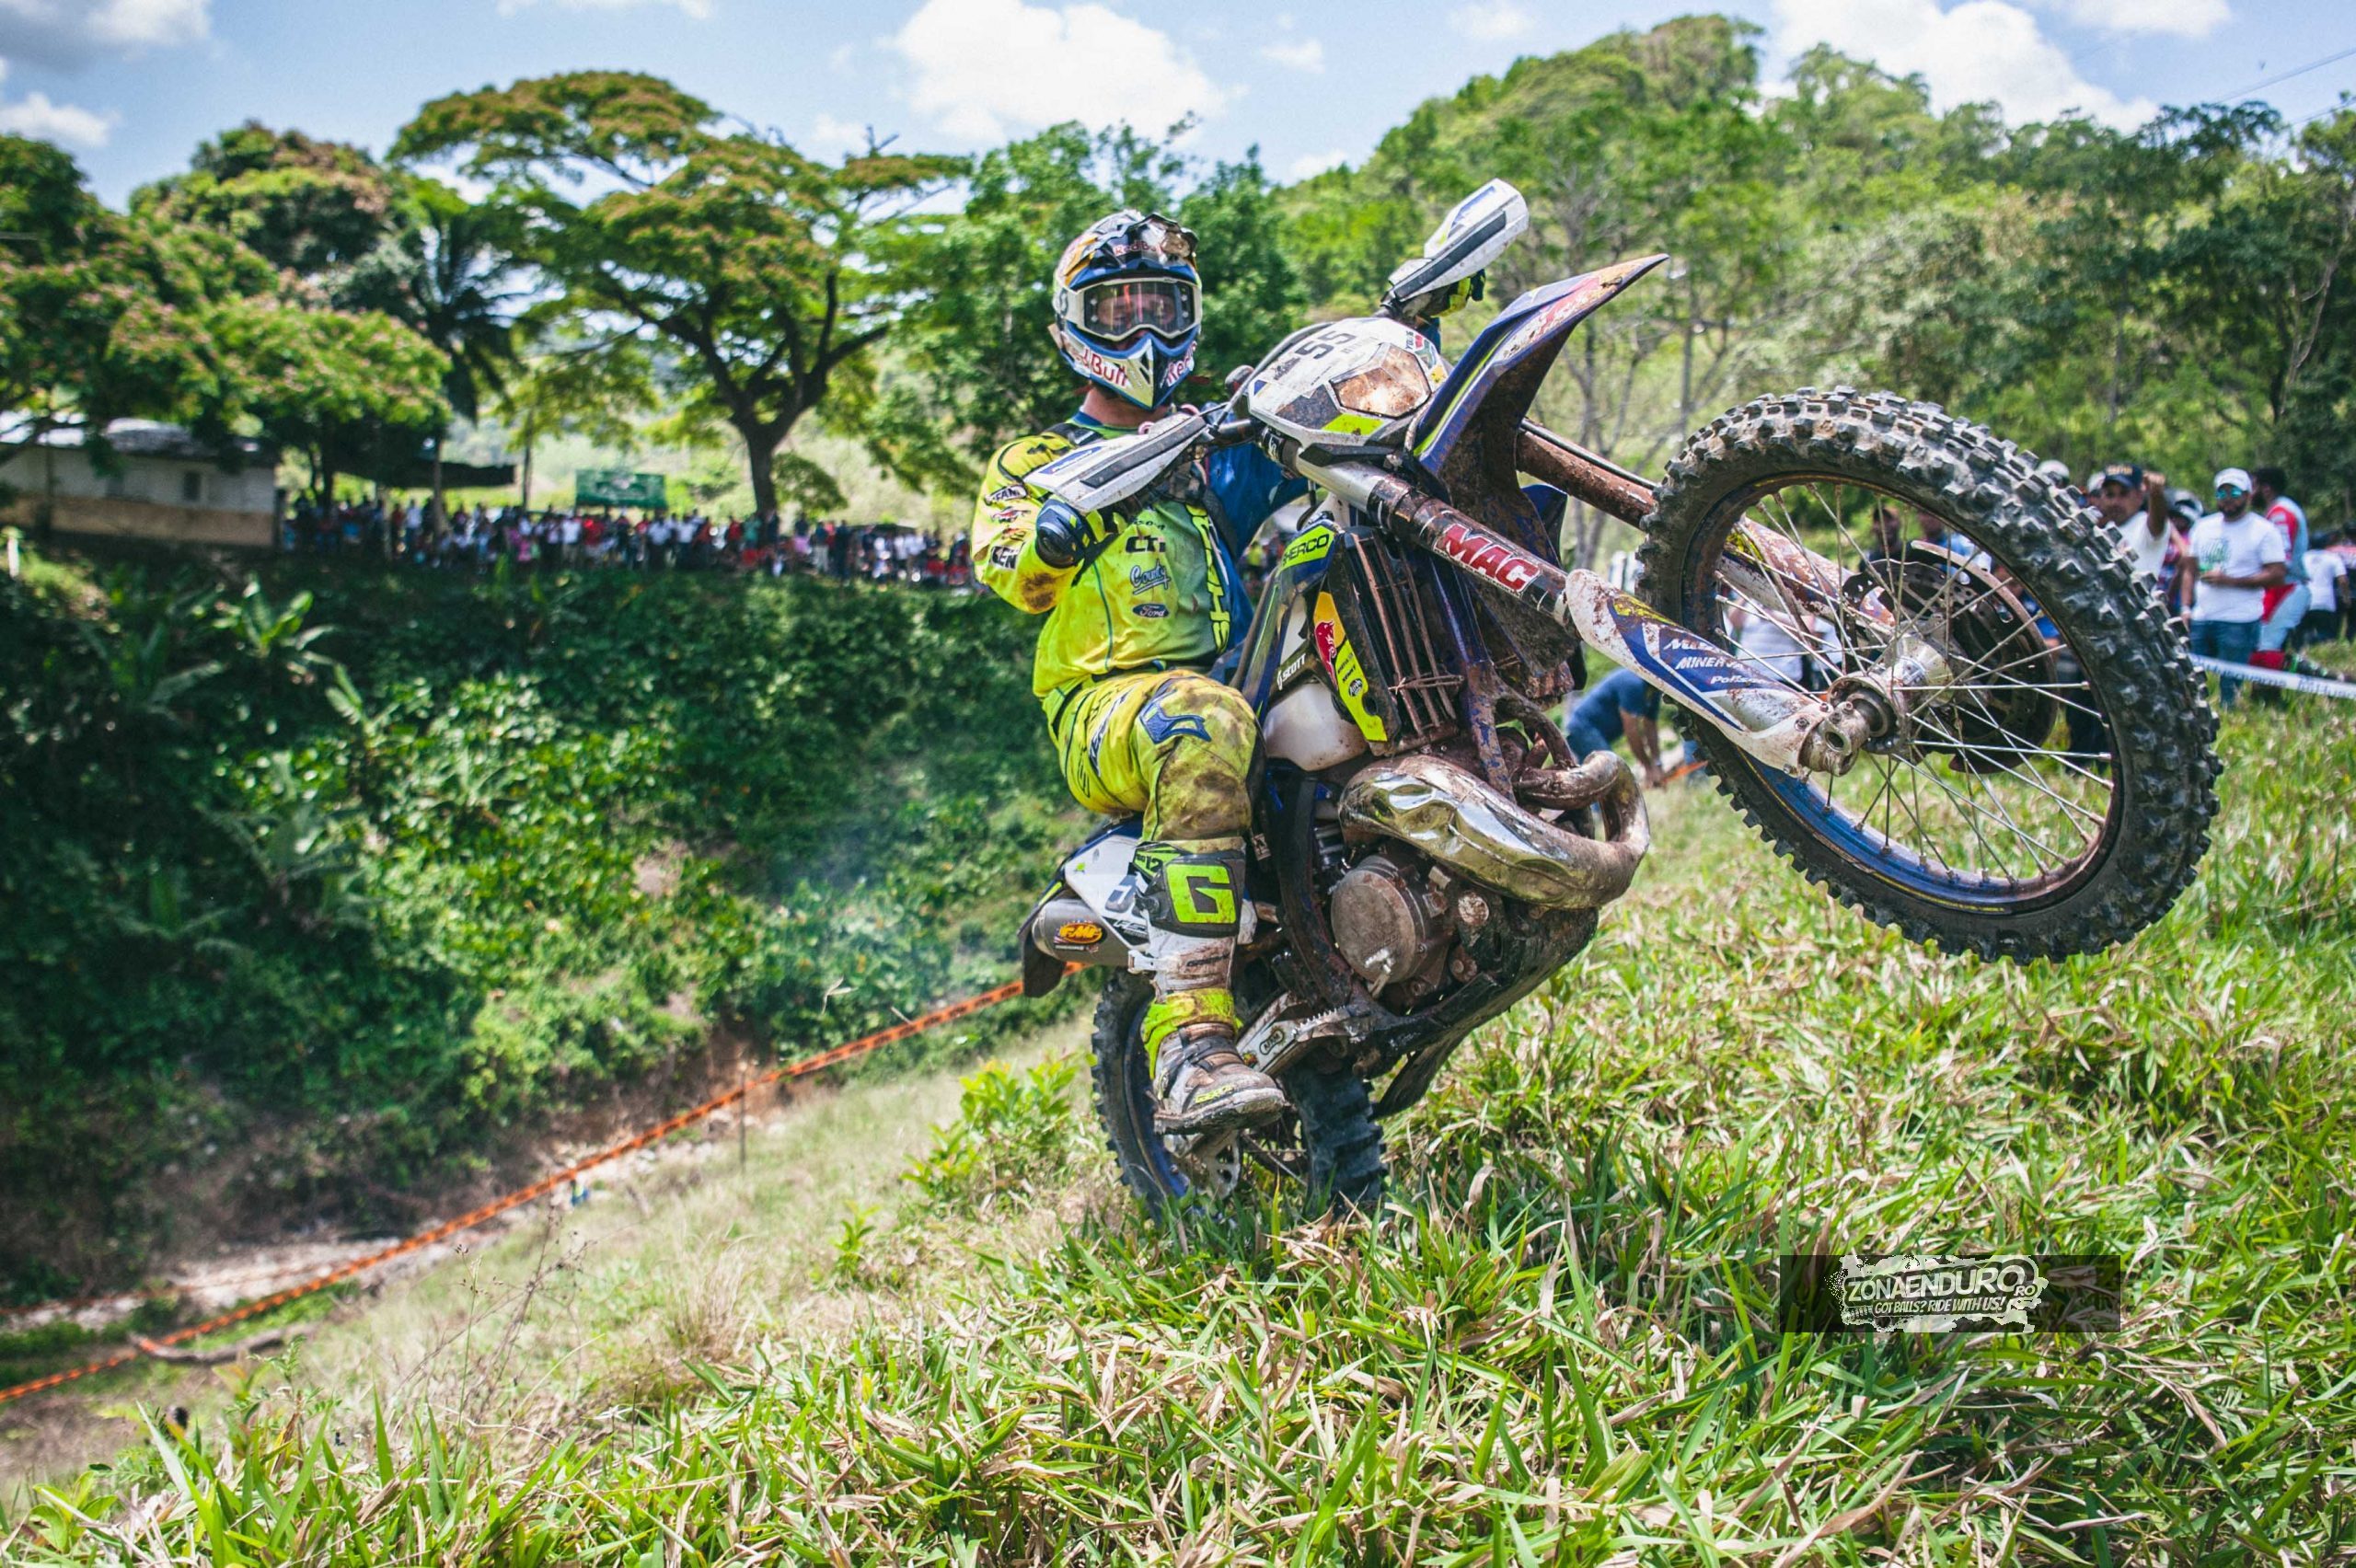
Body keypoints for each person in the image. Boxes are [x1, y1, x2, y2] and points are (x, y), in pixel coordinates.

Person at [973, 209, 1303, 1136]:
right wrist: (1058, 525)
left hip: (1242, 678)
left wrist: (1412, 337)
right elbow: (1009, 571)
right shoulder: (1036, 463)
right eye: (1115, 311)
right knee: (1202, 720)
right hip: (1106, 711)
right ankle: (1191, 1043)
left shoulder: (1211, 446)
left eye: (1160, 306)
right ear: (1072, 328)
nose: (1143, 333)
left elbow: (1326, 458)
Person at [2180, 467, 2287, 707]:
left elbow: (2277, 574)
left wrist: (2231, 581)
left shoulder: (2263, 530)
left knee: (2231, 684)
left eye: (2235, 492)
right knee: (2192, 680)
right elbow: (2189, 568)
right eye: (2222, 492)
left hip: (2239, 619)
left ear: (2248, 495)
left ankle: (2230, 721)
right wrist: (2186, 607)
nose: (2228, 498)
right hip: (2202, 616)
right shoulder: (2203, 527)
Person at [2249, 467, 2309, 680]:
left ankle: (2319, 677)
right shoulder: (2278, 510)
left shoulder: (2281, 513)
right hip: (2281, 587)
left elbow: (2281, 559)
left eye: (2253, 486)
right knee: (2262, 648)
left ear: (2266, 489)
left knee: (2266, 648)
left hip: (2287, 587)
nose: (2249, 492)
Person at [1564, 667, 1667, 787]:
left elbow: (1650, 726)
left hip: (1595, 732)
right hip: (1583, 727)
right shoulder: (1633, 683)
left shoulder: (1654, 689)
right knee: (1606, 772)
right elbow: (1631, 731)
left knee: (1591, 782)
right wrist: (1648, 768)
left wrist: (1657, 763)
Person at [2302, 531, 2347, 645]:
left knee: (2304, 632)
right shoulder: (2333, 558)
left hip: (2304, 600)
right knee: (2326, 633)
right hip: (2326, 601)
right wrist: (2346, 597)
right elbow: (2342, 580)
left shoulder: (2303, 557)